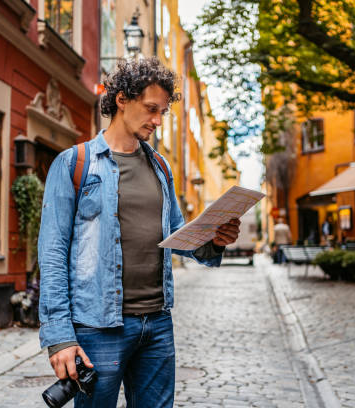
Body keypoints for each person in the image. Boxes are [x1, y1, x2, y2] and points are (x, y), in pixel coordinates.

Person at [38, 57, 240, 408]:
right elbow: (53, 253)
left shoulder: (159, 166)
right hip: (98, 327)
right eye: (151, 109)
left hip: (157, 325)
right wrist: (59, 337)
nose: (158, 121)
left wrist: (213, 239)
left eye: (163, 112)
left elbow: (177, 232)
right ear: (121, 99)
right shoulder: (75, 164)